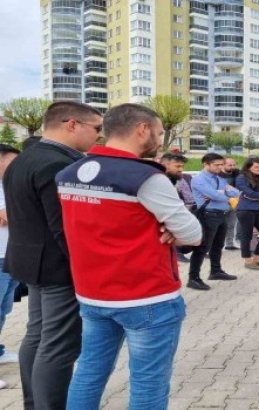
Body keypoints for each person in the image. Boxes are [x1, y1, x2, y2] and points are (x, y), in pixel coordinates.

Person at [56, 103, 202, 409]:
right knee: (148, 382)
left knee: (89, 373)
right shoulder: (144, 177)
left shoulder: (68, 173)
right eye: (160, 133)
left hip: (93, 296)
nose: (160, 141)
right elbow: (192, 234)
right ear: (142, 130)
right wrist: (168, 230)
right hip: (146, 297)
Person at [3, 102, 102, 409]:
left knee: (38, 335)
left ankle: (34, 403)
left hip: (30, 260)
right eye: (96, 129)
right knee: (58, 344)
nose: (99, 136)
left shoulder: (23, 159)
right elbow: (65, 227)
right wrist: (88, 268)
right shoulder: (59, 164)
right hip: (58, 266)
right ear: (71, 124)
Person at [188, 153, 240, 291]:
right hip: (208, 215)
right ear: (206, 164)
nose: (220, 167)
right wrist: (223, 194)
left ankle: (215, 271)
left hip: (221, 214)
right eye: (217, 165)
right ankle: (193, 278)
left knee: (218, 245)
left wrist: (224, 193)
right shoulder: (198, 179)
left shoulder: (219, 179)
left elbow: (233, 192)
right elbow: (214, 195)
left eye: (221, 164)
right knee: (202, 247)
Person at [0, 144, 20, 390]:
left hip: (10, 255)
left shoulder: (8, 185)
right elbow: (6, 216)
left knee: (3, 309)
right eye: (11, 162)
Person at [235, 157, 259, 270]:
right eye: (256, 167)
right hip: (245, 209)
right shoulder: (241, 178)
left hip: (257, 209)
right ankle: (247, 261)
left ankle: (257, 259)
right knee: (246, 236)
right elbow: (248, 192)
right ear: (248, 167)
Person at [160, 153, 193, 263]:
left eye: (182, 166)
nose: (181, 169)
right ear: (165, 165)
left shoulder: (174, 180)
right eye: (177, 166)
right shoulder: (156, 182)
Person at [220, 158, 241, 250]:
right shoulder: (218, 175)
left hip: (234, 203)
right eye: (230, 165)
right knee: (219, 225)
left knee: (231, 224)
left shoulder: (237, 173)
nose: (232, 167)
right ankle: (217, 245)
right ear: (223, 165)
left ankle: (229, 244)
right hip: (221, 202)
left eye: (234, 165)